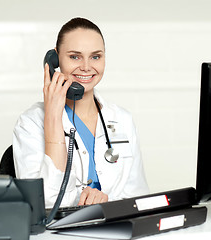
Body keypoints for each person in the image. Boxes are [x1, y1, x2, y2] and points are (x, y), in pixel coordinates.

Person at [13, 17, 149, 209]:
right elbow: (45, 203)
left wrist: (107, 204)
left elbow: (139, 198)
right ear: (55, 60)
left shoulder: (122, 120)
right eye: (75, 56)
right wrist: (53, 117)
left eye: (95, 56)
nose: (86, 66)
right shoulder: (31, 122)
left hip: (116, 229)